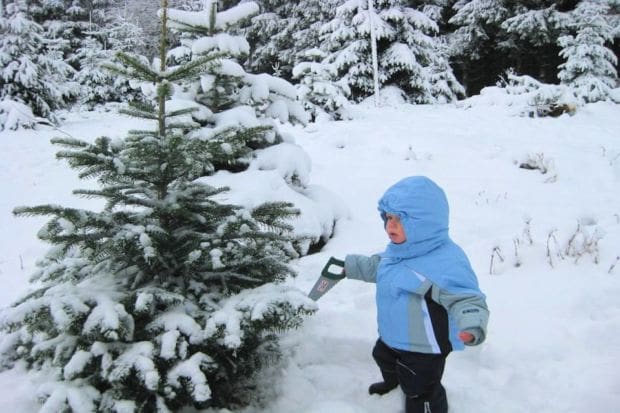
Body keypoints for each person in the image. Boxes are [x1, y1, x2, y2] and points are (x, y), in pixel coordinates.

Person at [341, 176, 489, 413]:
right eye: (389, 217)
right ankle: (393, 382)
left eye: (400, 220)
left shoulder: (445, 262)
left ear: (425, 224)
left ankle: (426, 404)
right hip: (393, 336)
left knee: (420, 386)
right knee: (383, 356)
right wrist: (349, 266)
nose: (391, 225)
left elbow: (466, 297)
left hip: (425, 347)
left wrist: (472, 325)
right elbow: (377, 267)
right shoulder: (399, 251)